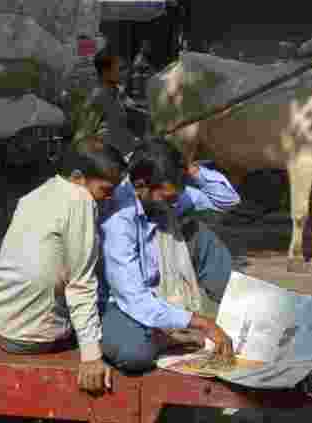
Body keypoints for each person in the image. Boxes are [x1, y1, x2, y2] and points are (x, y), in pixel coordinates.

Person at [0, 137, 126, 394]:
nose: (109, 198)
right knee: (122, 329)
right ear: (79, 177)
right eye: (106, 190)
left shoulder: (38, 193)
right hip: (31, 338)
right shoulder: (79, 200)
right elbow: (81, 285)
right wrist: (91, 356)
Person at [98, 138, 239, 374]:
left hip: (163, 277)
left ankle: (243, 322)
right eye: (168, 198)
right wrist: (202, 322)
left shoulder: (166, 196)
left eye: (176, 198)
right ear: (141, 187)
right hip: (123, 301)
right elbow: (134, 299)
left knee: (200, 235)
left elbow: (227, 199)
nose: (173, 205)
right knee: (133, 353)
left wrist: (190, 170)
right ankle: (167, 338)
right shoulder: (119, 220)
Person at [88, 49, 139, 159]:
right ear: (106, 72)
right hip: (111, 162)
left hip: (128, 155)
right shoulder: (98, 97)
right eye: (119, 69)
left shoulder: (119, 93)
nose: (124, 73)